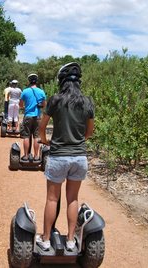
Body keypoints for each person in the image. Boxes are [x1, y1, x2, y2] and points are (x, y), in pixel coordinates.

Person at [36, 62, 95, 253]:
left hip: (59, 156)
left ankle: (45, 240)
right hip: (79, 157)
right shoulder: (87, 102)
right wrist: (78, 141)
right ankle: (70, 241)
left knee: (52, 199)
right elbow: (89, 132)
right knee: (73, 199)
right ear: (79, 82)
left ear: (61, 81)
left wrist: (45, 142)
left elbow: (42, 128)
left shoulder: (55, 100)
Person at [19, 74, 46, 161]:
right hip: (37, 116)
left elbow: (20, 104)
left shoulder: (25, 91)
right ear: (36, 81)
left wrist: (25, 107)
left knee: (26, 136)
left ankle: (26, 156)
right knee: (36, 136)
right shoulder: (41, 92)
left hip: (28, 116)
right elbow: (44, 104)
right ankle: (36, 156)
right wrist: (40, 106)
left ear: (29, 81)